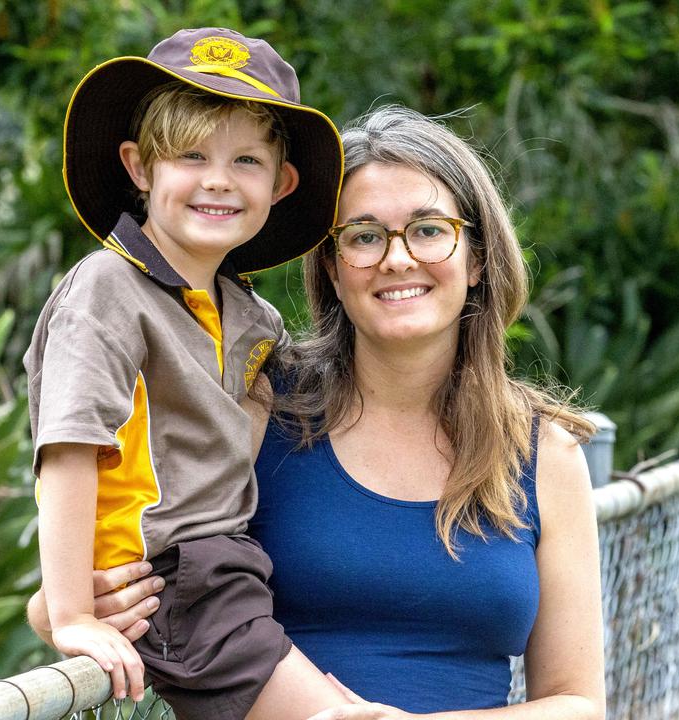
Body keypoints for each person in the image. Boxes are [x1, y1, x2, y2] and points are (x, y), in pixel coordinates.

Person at [30, 105, 607, 718]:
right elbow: (148, 552)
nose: (397, 258)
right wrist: (63, 610)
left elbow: (576, 704)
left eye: (429, 229)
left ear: (479, 257)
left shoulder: (544, 454)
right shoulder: (262, 399)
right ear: (331, 269)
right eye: (363, 236)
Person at [24, 26, 351, 720]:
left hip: (236, 572)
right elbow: (70, 445)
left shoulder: (252, 317)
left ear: (281, 183)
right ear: (140, 168)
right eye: (190, 155)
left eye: (245, 160)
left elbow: (250, 451)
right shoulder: (108, 289)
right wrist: (69, 611)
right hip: (171, 581)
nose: (217, 179)